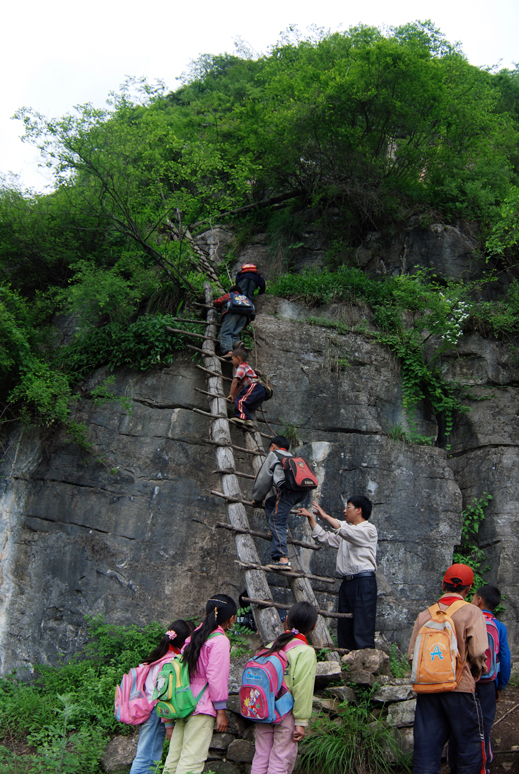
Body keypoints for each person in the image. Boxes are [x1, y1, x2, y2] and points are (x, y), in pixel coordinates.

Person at [407, 563, 488, 774]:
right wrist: (476, 672)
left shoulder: (425, 615)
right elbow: (478, 652)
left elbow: (411, 657)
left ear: (443, 584)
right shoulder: (472, 612)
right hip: (459, 689)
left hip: (428, 690)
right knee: (467, 746)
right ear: (468, 589)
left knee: (426, 748)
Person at [162, 594, 237, 774]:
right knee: (191, 763)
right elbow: (216, 677)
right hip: (202, 706)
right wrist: (220, 711)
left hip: (183, 702)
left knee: (173, 759)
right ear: (232, 619)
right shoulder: (219, 641)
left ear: (206, 612)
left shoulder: (193, 636)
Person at [298, 496, 377, 650]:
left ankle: (366, 662)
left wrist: (326, 516)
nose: (344, 510)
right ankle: (347, 658)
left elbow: (345, 530)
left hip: (363, 582)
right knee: (345, 624)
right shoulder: (347, 533)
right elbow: (326, 538)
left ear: (359, 510)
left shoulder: (368, 529)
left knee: (363, 624)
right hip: (347, 582)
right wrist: (311, 519)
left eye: (348, 507)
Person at [448, 584, 511, 774]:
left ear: (479, 601)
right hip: (487, 684)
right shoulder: (499, 627)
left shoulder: (466, 620)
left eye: (473, 597)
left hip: (464, 682)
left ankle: (455, 764)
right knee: (484, 724)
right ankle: (483, 765)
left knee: (458, 724)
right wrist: (500, 685)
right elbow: (505, 659)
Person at [250, 601, 318, 774]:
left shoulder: (270, 646)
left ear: (286, 621)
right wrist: (301, 722)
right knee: (281, 757)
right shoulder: (305, 651)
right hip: (285, 712)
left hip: (263, 708)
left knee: (261, 755)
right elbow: (302, 688)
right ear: (314, 626)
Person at [130, 620, 194, 774]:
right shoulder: (171, 662)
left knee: (146, 753)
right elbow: (164, 695)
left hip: (150, 709)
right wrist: (168, 725)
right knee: (148, 757)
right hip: (157, 713)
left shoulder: (158, 656)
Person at [252, 436, 307, 569]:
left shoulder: (273, 455)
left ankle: (283, 559)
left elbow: (263, 480)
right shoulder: (293, 457)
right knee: (271, 503)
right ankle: (277, 532)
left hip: (287, 492)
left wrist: (258, 498)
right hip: (302, 492)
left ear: (273, 446)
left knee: (277, 521)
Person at [227, 348, 266, 427]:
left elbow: (235, 381)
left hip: (254, 386)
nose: (232, 362)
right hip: (260, 391)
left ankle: (240, 417)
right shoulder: (247, 367)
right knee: (246, 405)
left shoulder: (242, 366)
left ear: (238, 358)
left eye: (232, 359)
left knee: (240, 400)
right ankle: (249, 420)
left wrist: (231, 394)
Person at [214, 285, 253, 358]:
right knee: (234, 333)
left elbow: (217, 302)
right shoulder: (244, 298)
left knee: (225, 333)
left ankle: (228, 351)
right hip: (244, 316)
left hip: (232, 314)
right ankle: (237, 343)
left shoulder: (229, 295)